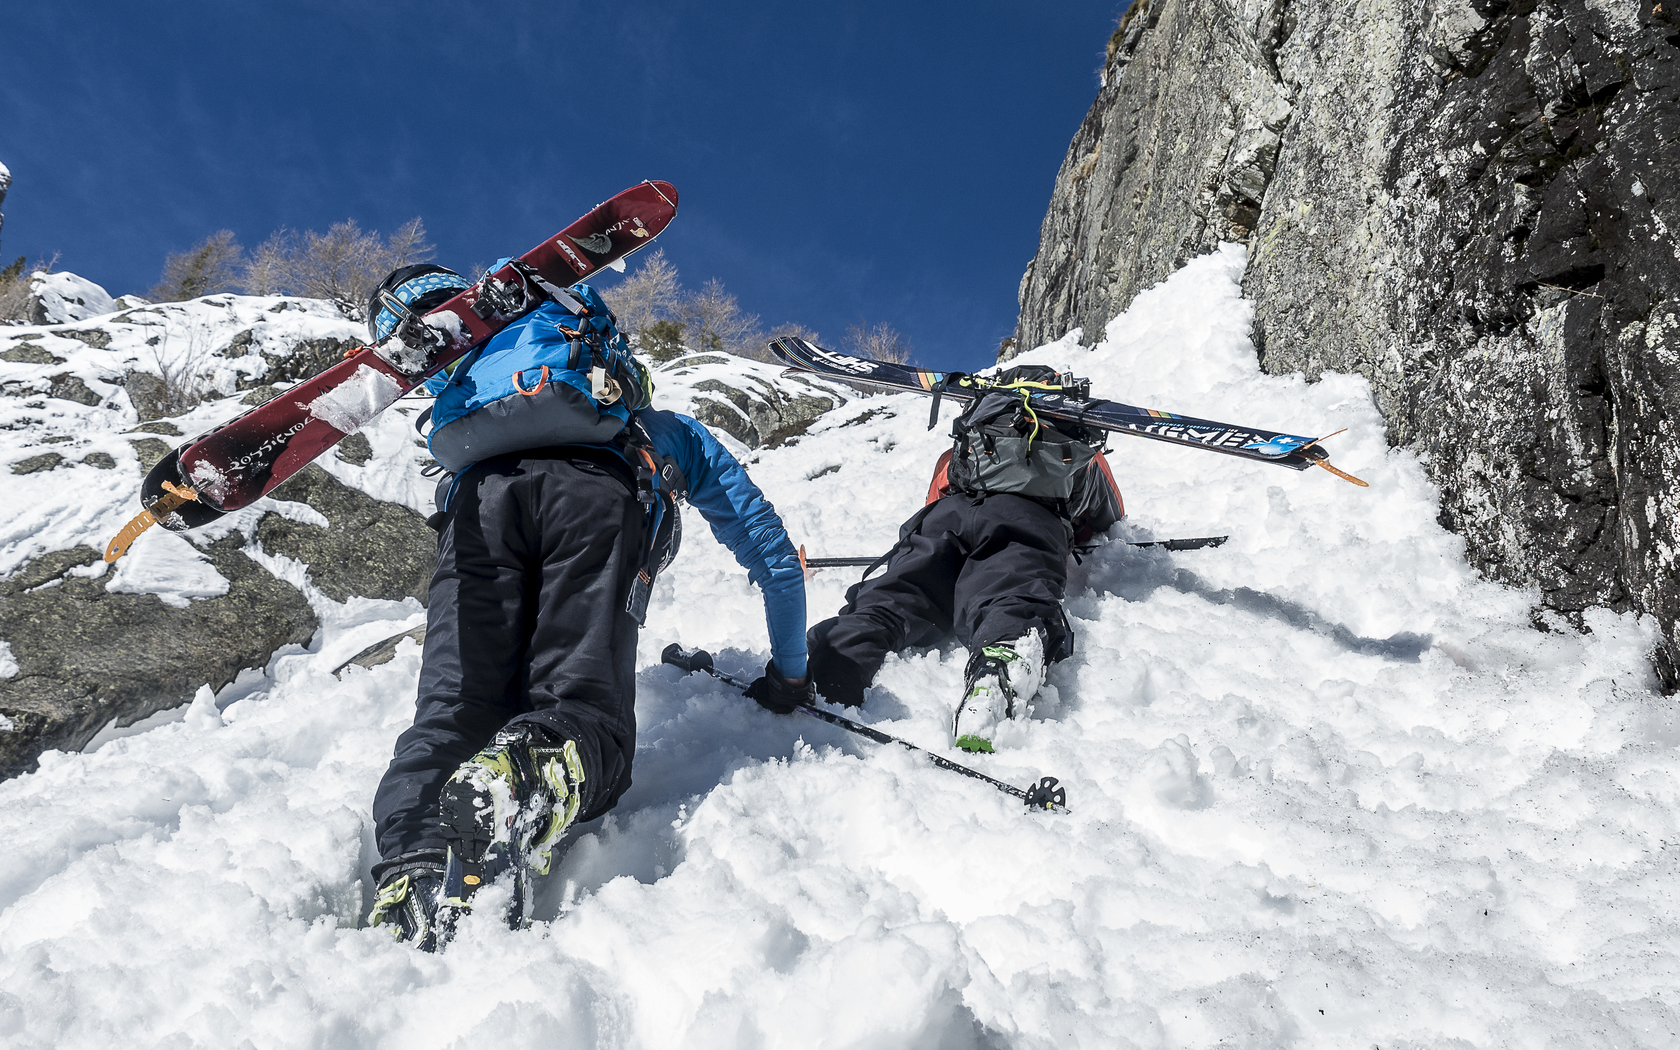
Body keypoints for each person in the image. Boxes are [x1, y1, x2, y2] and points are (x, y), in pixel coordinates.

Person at [363, 262, 806, 951]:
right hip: (596, 499)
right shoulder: (662, 430)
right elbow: (773, 557)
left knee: (453, 711)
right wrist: (789, 673)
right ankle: (530, 771)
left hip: (478, 504)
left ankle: (415, 868)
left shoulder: (476, 404)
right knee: (586, 715)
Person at [750, 366, 1121, 752]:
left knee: (894, 596)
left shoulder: (970, 438)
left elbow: (937, 492)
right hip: (1026, 520)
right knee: (1010, 589)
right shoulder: (1073, 441)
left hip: (946, 519)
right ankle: (999, 665)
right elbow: (1108, 514)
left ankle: (836, 660)